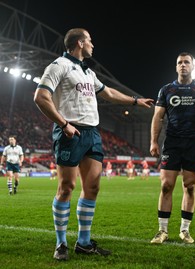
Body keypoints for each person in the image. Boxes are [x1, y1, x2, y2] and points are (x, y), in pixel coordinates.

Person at [33, 27, 154, 261]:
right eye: (90, 41)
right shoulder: (59, 66)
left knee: (93, 187)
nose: (93, 45)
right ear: (79, 43)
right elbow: (40, 97)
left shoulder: (87, 72)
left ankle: (84, 242)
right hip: (70, 132)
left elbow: (107, 92)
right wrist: (64, 123)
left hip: (93, 133)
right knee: (66, 188)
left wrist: (135, 100)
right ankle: (61, 244)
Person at [149, 52, 195, 244]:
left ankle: (184, 230)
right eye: (180, 62)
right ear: (176, 66)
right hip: (172, 142)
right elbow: (158, 117)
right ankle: (162, 231)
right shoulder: (167, 90)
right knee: (166, 185)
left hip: (194, 143)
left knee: (190, 186)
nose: (183, 65)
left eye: (187, 62)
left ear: (193, 66)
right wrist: (154, 141)